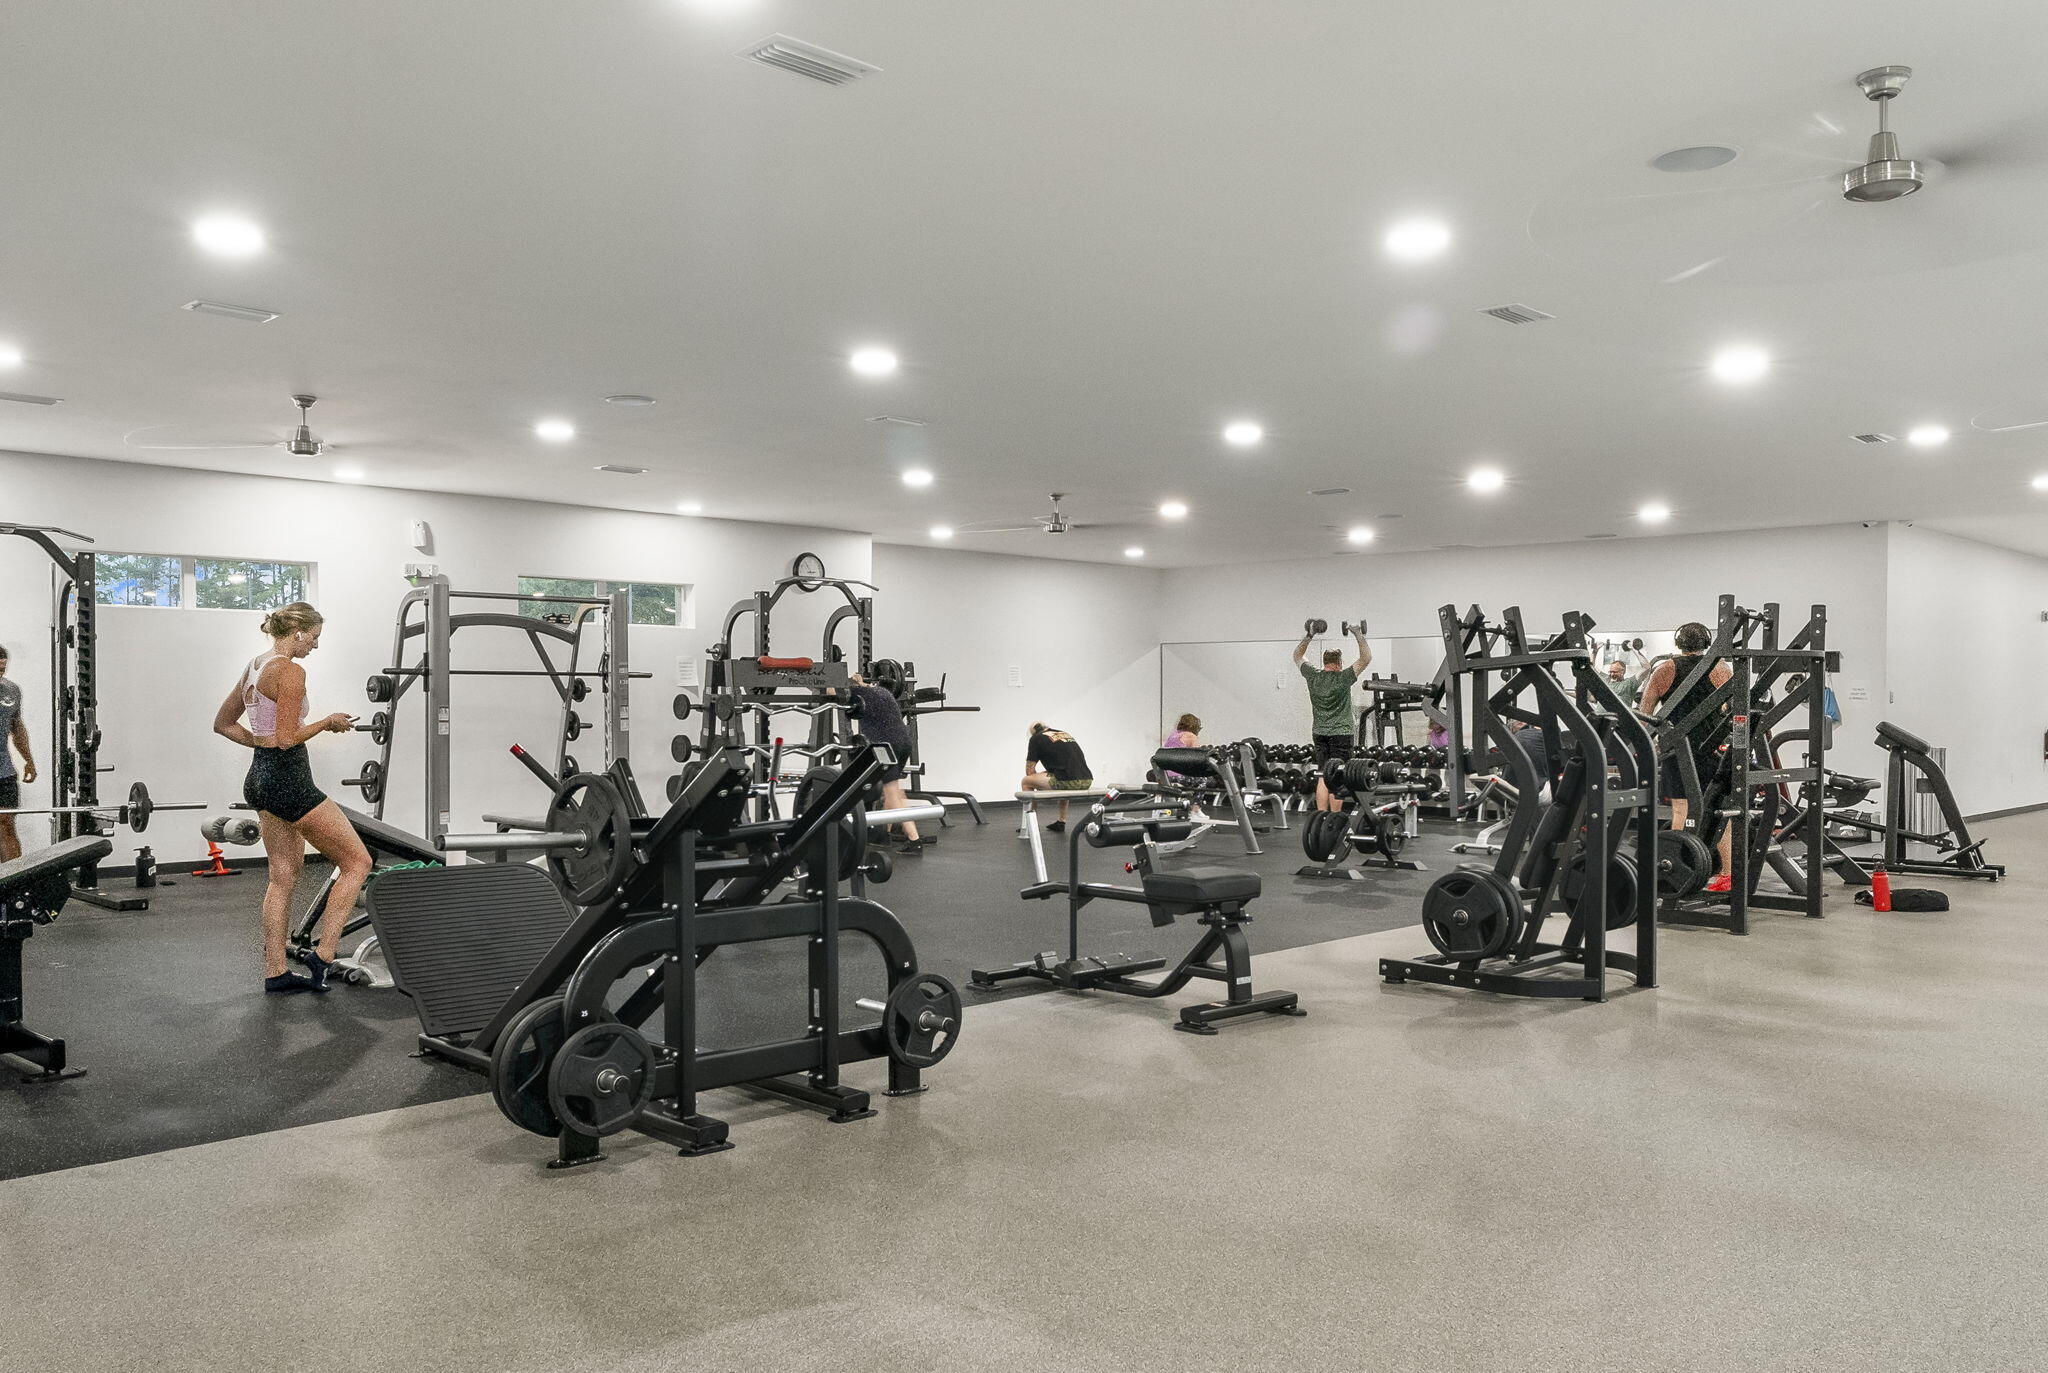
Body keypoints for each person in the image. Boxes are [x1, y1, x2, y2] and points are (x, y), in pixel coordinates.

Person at [212, 603, 374, 994]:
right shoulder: (290, 670)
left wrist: (259, 743)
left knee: (282, 878)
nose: (315, 646)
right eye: (314, 638)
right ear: (298, 631)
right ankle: (325, 953)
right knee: (357, 862)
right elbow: (287, 738)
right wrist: (326, 722)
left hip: (260, 777)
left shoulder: (254, 666)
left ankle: (276, 972)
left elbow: (223, 724)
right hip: (289, 780)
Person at [1638, 620, 1735, 893]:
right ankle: (1728, 875)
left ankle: (1679, 872)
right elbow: (1728, 709)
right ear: (1706, 643)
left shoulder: (1664, 669)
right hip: (1711, 750)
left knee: (1682, 811)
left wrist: (1645, 746)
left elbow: (1645, 714)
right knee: (1717, 812)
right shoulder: (1721, 669)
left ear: (1678, 642)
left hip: (1677, 750)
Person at [1292, 625, 1371, 812]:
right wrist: (1358, 634)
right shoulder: (1343, 678)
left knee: (1322, 775)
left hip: (1319, 733)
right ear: (1339, 663)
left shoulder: (1313, 676)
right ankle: (1335, 817)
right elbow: (1366, 658)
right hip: (1341, 734)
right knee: (1338, 775)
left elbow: (1297, 655)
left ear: (1324, 661)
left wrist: (1309, 635)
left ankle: (1321, 816)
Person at [846, 669, 922, 854]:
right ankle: (883, 835)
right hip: (903, 743)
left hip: (886, 746)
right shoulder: (883, 692)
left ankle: (915, 841)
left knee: (892, 792)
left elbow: (833, 693)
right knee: (893, 791)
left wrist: (819, 683)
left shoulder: (858, 694)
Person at [1021, 722, 1093, 831]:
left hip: (1067, 781)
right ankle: (1061, 822)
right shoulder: (1064, 734)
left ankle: (1030, 824)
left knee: (1026, 781)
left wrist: (1039, 785)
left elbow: (1029, 770)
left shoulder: (1036, 738)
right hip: (1087, 779)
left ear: (1033, 732)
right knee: (1061, 775)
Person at [0, 644, 36, 862]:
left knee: (6, 825)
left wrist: (28, 761)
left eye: (2, 669)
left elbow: (17, 727)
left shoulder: (11, 691)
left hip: (4, 773)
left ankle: (14, 885)